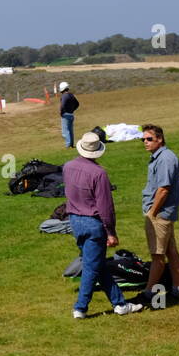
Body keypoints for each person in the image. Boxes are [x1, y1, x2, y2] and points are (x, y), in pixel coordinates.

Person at [63, 131, 143, 319]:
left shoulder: (68, 167)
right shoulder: (99, 173)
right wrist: (111, 232)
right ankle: (81, 307)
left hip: (75, 220)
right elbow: (105, 207)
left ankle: (119, 304)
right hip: (92, 224)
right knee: (92, 267)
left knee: (96, 263)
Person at [140, 124, 179, 303]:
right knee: (171, 251)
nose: (145, 142)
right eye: (143, 139)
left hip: (160, 214)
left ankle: (149, 292)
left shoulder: (165, 158)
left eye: (149, 139)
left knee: (157, 255)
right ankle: (178, 288)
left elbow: (164, 189)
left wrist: (152, 212)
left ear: (160, 139)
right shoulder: (159, 156)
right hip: (164, 213)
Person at [59, 81, 79, 148]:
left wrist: (61, 113)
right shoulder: (71, 95)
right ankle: (71, 145)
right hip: (71, 114)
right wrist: (72, 110)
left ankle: (68, 145)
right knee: (70, 130)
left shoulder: (64, 96)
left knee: (65, 131)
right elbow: (77, 104)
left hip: (66, 115)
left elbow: (62, 105)